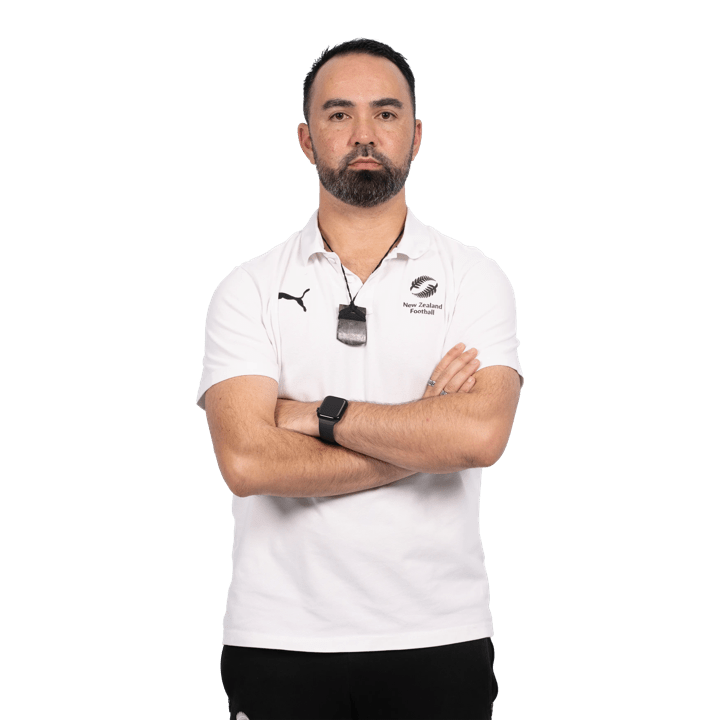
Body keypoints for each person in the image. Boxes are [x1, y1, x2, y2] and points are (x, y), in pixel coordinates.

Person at [196, 37, 524, 720]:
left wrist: (315, 413)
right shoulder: (247, 288)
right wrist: (421, 437)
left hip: (439, 634)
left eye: (387, 112)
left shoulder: (474, 278)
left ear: (417, 133)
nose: (365, 135)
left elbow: (481, 435)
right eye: (339, 115)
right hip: (279, 637)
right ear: (306, 139)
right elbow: (248, 459)